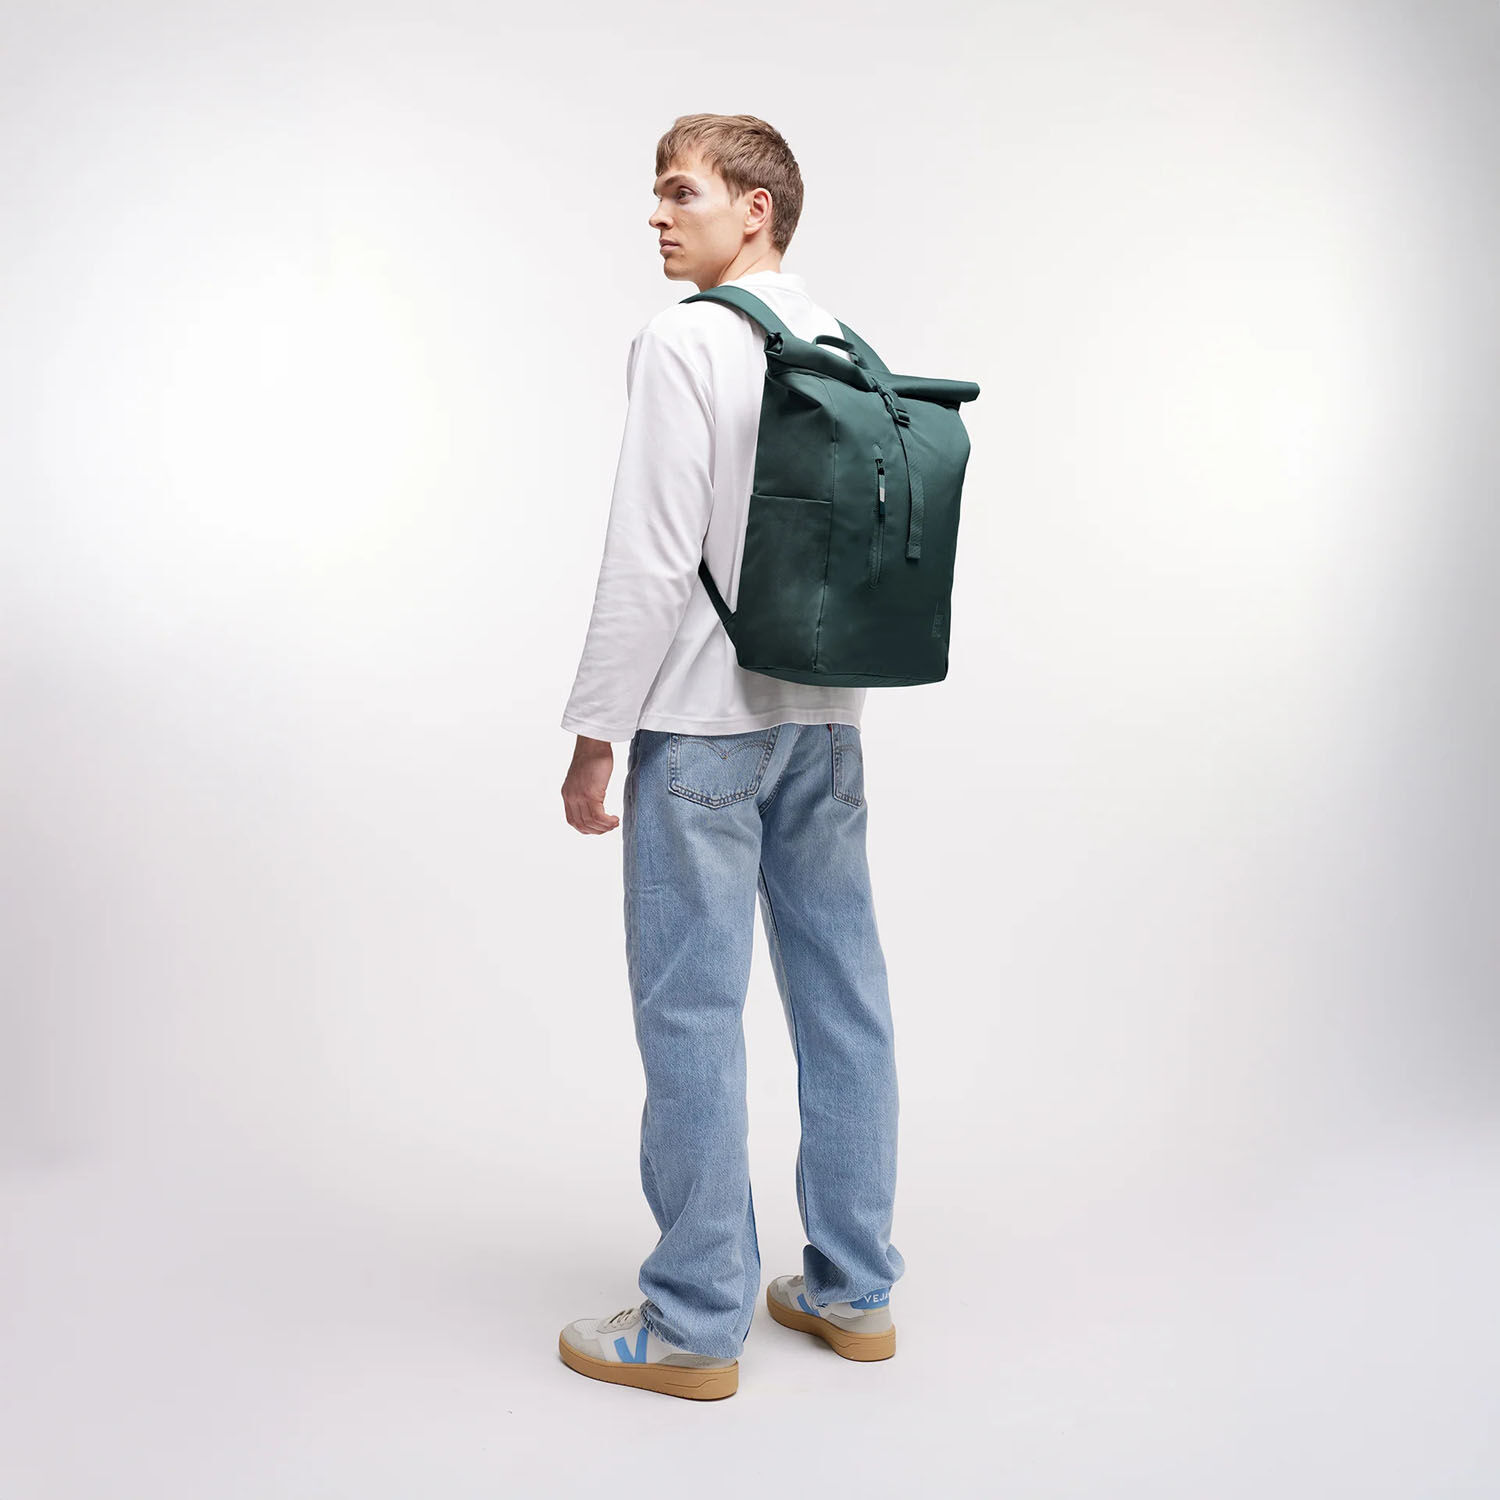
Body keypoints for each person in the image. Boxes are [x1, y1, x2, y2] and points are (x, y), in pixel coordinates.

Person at [556, 114, 904, 1401]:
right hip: (831, 722)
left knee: (693, 1014)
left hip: (706, 724)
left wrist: (596, 732)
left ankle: (696, 1321)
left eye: (681, 193)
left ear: (756, 209)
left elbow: (652, 554)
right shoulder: (844, 345)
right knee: (844, 1000)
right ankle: (853, 1290)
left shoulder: (687, 341)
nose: (657, 217)